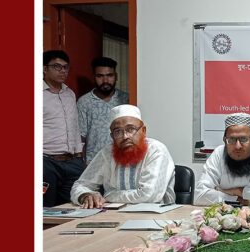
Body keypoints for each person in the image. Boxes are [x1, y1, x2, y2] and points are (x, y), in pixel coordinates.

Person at [70, 105, 176, 208]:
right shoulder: (107, 153)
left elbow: (149, 196)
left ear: (143, 131)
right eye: (118, 132)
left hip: (155, 215)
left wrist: (109, 196)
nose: (125, 136)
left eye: (131, 129)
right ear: (112, 136)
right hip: (113, 215)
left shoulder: (156, 150)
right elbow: (80, 185)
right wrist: (85, 196)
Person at [43, 50, 85, 207]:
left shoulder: (70, 94)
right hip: (46, 162)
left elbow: (74, 126)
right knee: (44, 207)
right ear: (44, 68)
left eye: (65, 67)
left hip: (73, 162)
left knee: (73, 206)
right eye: (57, 66)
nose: (62, 71)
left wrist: (79, 155)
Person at [77, 57, 129, 164]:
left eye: (110, 75)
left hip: (122, 161)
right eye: (100, 76)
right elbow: (81, 138)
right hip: (94, 163)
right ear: (93, 77)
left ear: (116, 76)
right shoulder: (84, 102)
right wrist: (83, 165)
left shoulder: (126, 99)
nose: (105, 81)